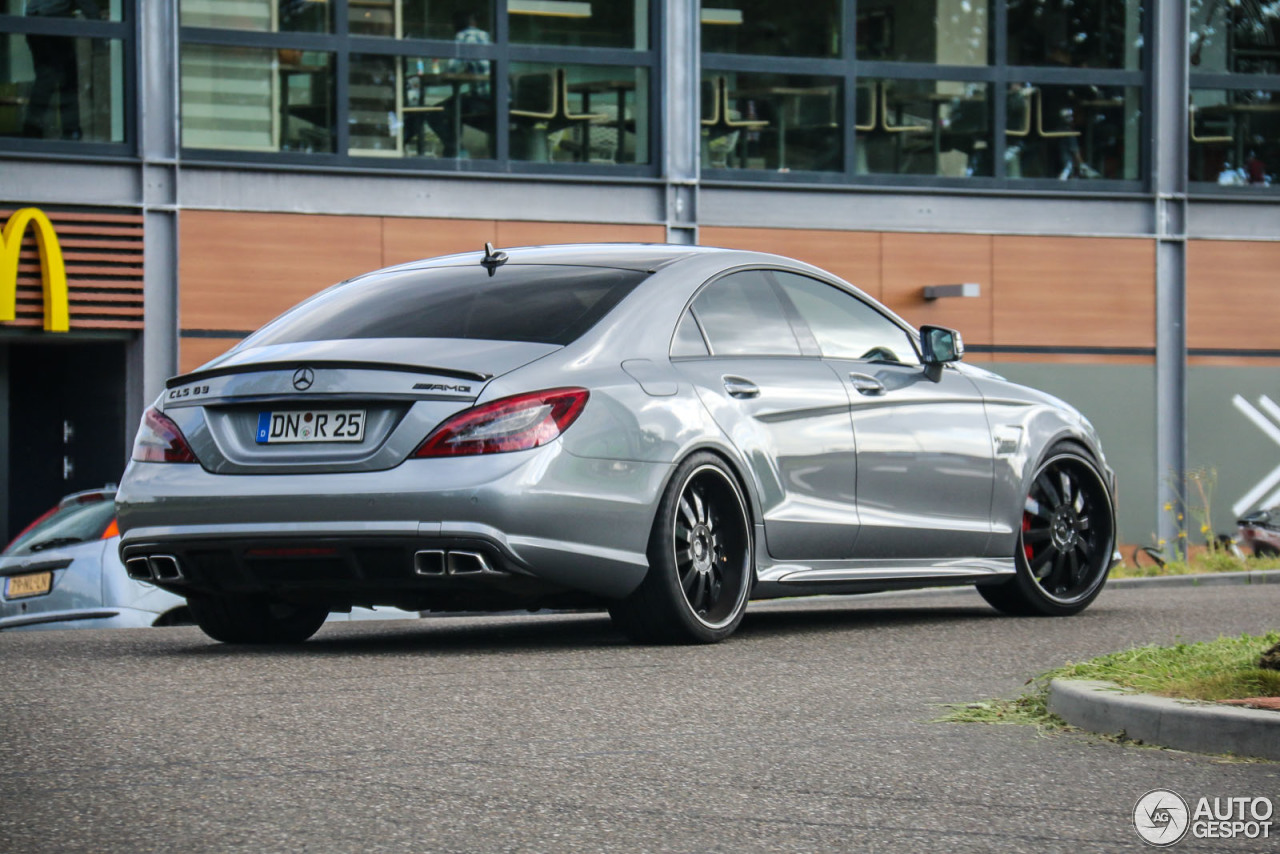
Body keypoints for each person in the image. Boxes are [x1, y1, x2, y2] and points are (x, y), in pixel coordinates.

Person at [22, 0, 102, 140]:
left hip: (36, 25)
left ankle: (33, 129)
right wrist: (101, 40)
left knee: (47, 78)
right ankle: (69, 131)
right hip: (54, 26)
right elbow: (89, 7)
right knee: (64, 81)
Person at [423, 13, 492, 158]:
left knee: (434, 113)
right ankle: (454, 151)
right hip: (500, 98)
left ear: (456, 26)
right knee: (454, 109)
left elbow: (452, 68)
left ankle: (455, 150)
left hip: (484, 100)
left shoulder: (465, 36)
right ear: (474, 22)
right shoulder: (487, 37)